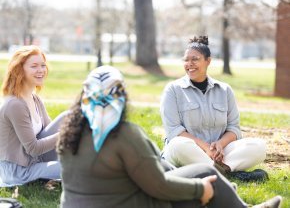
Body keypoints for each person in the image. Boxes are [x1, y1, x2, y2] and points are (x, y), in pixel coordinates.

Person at [57, 65, 282, 208]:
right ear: (122, 97)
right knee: (204, 176)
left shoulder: (68, 131)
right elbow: (158, 185)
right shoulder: (124, 134)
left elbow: (150, 170)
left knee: (196, 171)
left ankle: (231, 196)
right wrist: (200, 189)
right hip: (129, 201)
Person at [160, 36, 267, 180]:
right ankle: (230, 174)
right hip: (188, 151)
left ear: (208, 61)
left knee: (258, 146)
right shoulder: (173, 90)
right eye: (186, 60)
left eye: (195, 59)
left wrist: (220, 144)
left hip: (219, 153)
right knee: (178, 145)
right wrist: (205, 147)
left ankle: (217, 171)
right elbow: (174, 131)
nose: (189, 64)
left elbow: (234, 128)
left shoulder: (225, 90)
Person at [0, 45, 66, 187]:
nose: (41, 70)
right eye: (34, 66)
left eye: (43, 65)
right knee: (75, 168)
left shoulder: (35, 99)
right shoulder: (15, 105)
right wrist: (67, 133)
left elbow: (50, 133)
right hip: (18, 170)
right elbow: (34, 148)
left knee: (68, 117)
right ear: (19, 70)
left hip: (34, 159)